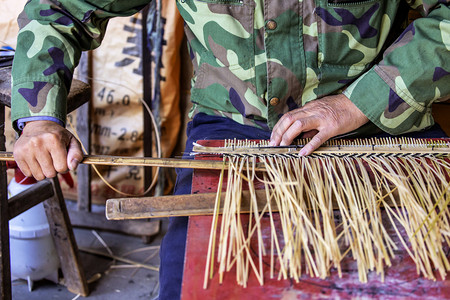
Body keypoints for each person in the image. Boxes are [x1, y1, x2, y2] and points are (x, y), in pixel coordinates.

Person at [11, 0, 450, 299]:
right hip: (233, 133)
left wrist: (358, 101)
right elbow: (60, 8)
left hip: (380, 127)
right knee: (196, 284)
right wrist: (40, 116)